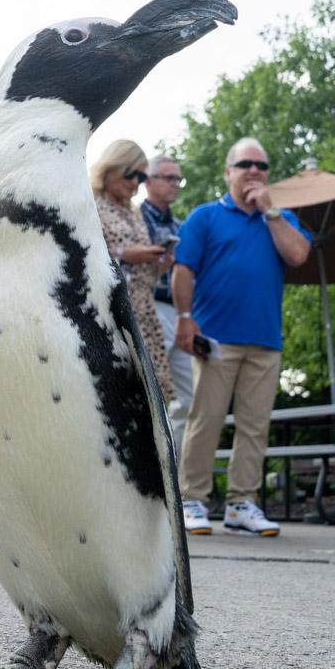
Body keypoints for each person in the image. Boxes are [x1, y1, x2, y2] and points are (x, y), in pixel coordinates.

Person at [173, 138, 312, 537]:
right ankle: (192, 499)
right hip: (216, 339)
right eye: (245, 164)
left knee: (255, 425)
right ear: (228, 172)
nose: (254, 171)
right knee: (206, 419)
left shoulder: (280, 218)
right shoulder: (204, 217)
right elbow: (183, 270)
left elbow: (299, 255)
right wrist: (185, 318)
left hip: (265, 340)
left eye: (262, 166)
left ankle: (241, 504)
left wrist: (270, 212)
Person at [91, 140, 173, 406]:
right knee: (118, 392)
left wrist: (159, 262)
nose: (136, 183)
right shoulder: (89, 204)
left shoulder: (133, 212)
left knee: (152, 397)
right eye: (132, 174)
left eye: (141, 176)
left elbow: (145, 278)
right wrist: (122, 254)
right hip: (109, 312)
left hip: (144, 312)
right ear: (112, 168)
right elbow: (82, 256)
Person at [141, 154, 195, 461]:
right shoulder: (133, 218)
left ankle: (174, 476)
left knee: (189, 399)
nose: (175, 184)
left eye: (178, 178)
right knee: (153, 395)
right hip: (148, 308)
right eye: (168, 177)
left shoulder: (181, 225)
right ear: (148, 181)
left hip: (182, 312)